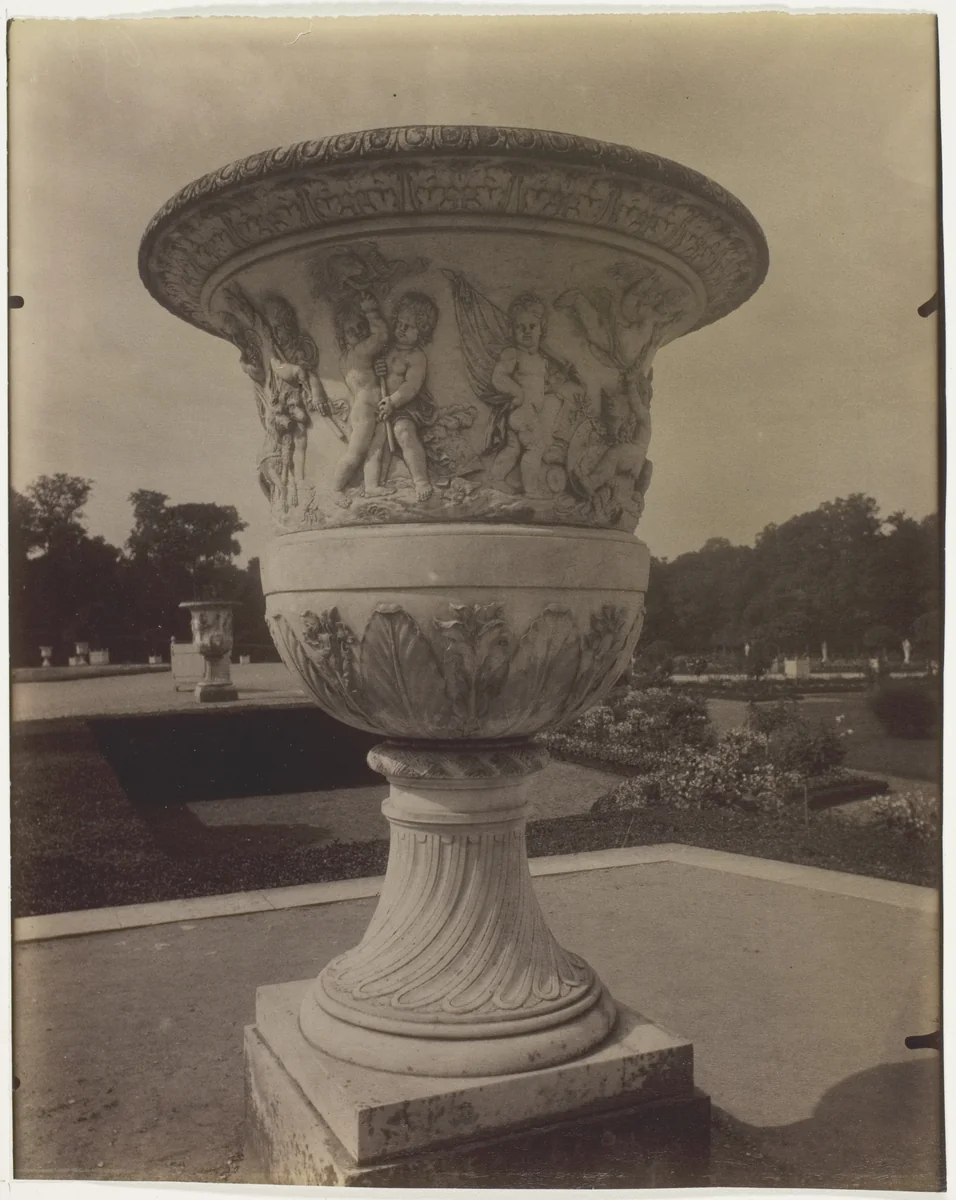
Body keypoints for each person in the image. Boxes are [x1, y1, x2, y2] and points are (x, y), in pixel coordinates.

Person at [368, 291, 440, 503]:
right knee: (376, 439)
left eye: (408, 326)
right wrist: (378, 368)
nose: (400, 329)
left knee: (404, 433)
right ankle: (376, 482)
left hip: (406, 406)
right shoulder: (387, 349)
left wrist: (393, 401)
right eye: (399, 323)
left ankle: (420, 480)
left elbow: (412, 386)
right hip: (383, 404)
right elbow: (377, 373)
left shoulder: (417, 357)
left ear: (422, 330)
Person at [329, 292, 392, 506]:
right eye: (351, 330)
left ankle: (372, 486)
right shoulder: (359, 351)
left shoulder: (349, 357)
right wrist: (371, 311)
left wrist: (378, 368)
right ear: (343, 337)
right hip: (365, 408)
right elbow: (381, 336)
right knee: (356, 453)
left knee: (375, 450)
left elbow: (363, 375)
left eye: (360, 326)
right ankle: (337, 488)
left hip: (372, 406)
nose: (357, 332)